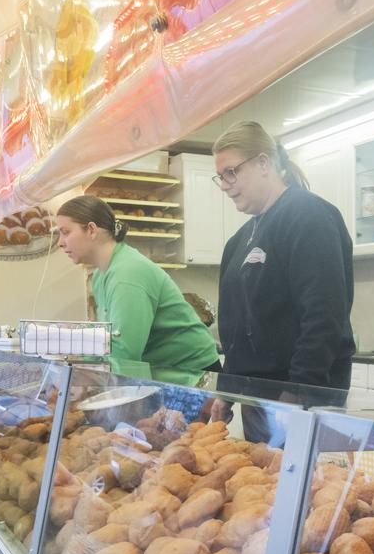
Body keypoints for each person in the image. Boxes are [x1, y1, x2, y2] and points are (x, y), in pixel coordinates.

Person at [213, 120, 357, 391]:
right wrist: (227, 390)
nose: (224, 184)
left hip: (301, 392)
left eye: (231, 172)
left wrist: (298, 391)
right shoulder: (239, 241)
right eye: (220, 176)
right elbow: (235, 330)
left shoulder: (309, 216)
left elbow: (323, 314)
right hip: (258, 394)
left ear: (263, 163)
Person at [55, 194, 220, 378]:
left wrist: (82, 375)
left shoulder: (127, 273)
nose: (60, 242)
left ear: (91, 230)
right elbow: (109, 337)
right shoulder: (100, 277)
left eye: (66, 232)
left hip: (194, 375)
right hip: (165, 372)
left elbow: (125, 353)